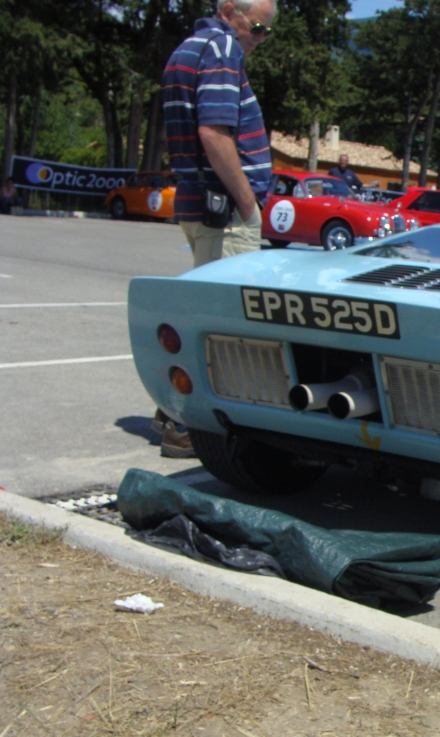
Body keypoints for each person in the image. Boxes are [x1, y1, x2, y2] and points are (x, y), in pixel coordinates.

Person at [156, 0, 275, 458]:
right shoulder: (223, 48)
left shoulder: (189, 46)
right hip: (224, 211)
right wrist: (247, 204)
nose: (260, 38)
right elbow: (214, 133)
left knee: (199, 314)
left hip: (198, 204)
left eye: (267, 31)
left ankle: (173, 413)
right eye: (258, 26)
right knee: (222, 325)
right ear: (230, 11)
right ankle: (186, 423)